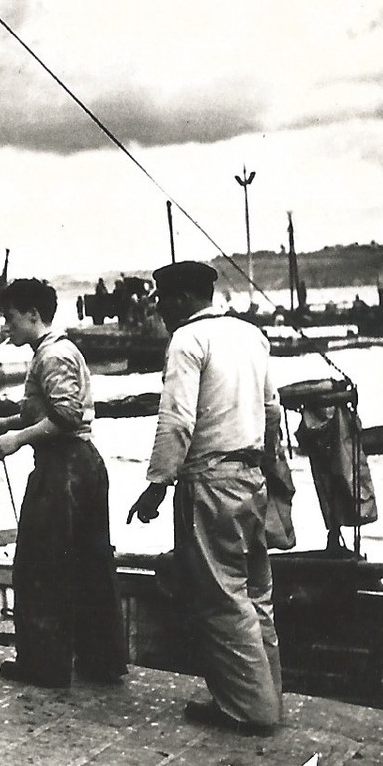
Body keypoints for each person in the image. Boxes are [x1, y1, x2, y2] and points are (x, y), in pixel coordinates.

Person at [127, 260, 284, 735]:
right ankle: (269, 698)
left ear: (178, 300)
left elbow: (177, 419)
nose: (158, 311)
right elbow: (273, 410)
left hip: (212, 481)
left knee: (221, 596)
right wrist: (269, 471)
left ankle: (247, 711)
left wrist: (157, 485)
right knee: (258, 594)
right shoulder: (251, 335)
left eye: (161, 301)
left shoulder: (187, 341)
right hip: (253, 476)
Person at [0, 278, 125, 688]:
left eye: (9, 318)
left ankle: (44, 665)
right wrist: (5, 422)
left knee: (41, 566)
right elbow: (50, 409)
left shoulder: (52, 356)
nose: (5, 326)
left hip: (64, 470)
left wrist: (15, 440)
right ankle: (101, 662)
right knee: (90, 564)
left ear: (32, 315)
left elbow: (66, 416)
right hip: (81, 468)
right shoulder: (56, 351)